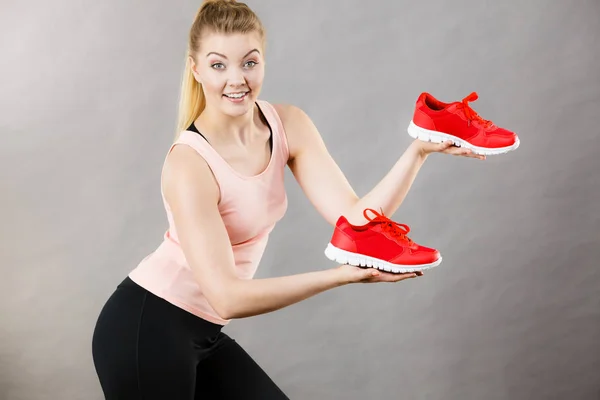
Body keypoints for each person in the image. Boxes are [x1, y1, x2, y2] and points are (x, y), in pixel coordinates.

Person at [91, 0, 484, 399]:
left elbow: (356, 218)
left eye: (249, 62)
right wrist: (344, 275)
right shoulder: (189, 164)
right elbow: (225, 297)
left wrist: (419, 150)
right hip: (146, 328)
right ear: (195, 70)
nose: (236, 79)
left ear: (263, 61)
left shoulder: (287, 125)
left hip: (201, 332)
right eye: (217, 65)